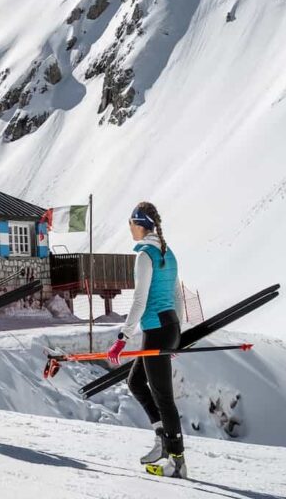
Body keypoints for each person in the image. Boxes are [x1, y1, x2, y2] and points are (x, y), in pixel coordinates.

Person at [106, 202, 187, 478]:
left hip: (156, 329)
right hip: (168, 326)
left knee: (164, 397)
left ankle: (177, 461)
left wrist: (123, 337)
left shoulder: (145, 256)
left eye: (130, 223)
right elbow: (177, 296)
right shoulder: (168, 253)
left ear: (140, 224)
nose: (129, 229)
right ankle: (162, 439)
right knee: (136, 382)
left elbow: (139, 301)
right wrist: (177, 334)